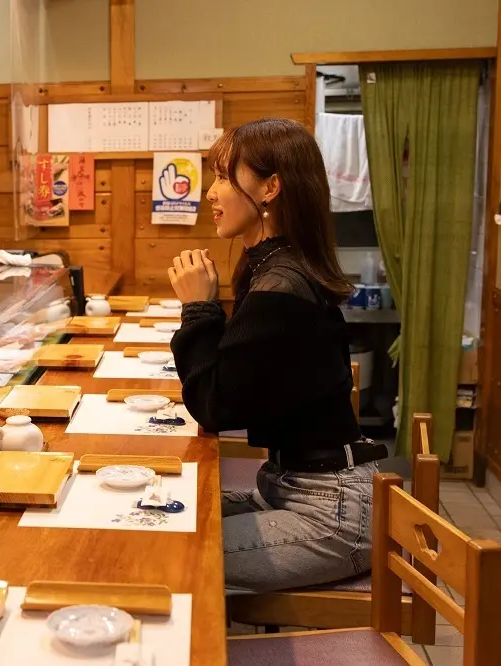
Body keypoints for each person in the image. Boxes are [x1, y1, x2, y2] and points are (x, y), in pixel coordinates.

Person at [167, 117, 386, 593]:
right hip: (298, 488)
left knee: (165, 550)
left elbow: (214, 407)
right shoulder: (276, 268)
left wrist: (199, 308)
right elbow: (234, 379)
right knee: (162, 508)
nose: (211, 192)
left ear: (270, 188)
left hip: (331, 515)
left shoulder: (280, 286)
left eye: (224, 176)